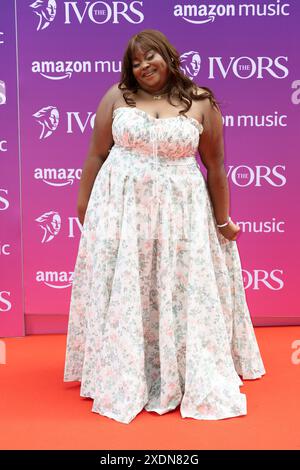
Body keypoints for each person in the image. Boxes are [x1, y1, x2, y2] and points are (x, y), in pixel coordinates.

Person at [63, 29, 266, 424]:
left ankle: (182, 369)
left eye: (150, 56)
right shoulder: (116, 97)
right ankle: (127, 370)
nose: (143, 66)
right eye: (136, 62)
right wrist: (84, 204)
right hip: (122, 212)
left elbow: (216, 168)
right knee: (129, 284)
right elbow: (95, 155)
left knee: (175, 285)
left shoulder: (201, 102)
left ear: (169, 56)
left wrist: (223, 220)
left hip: (181, 213)